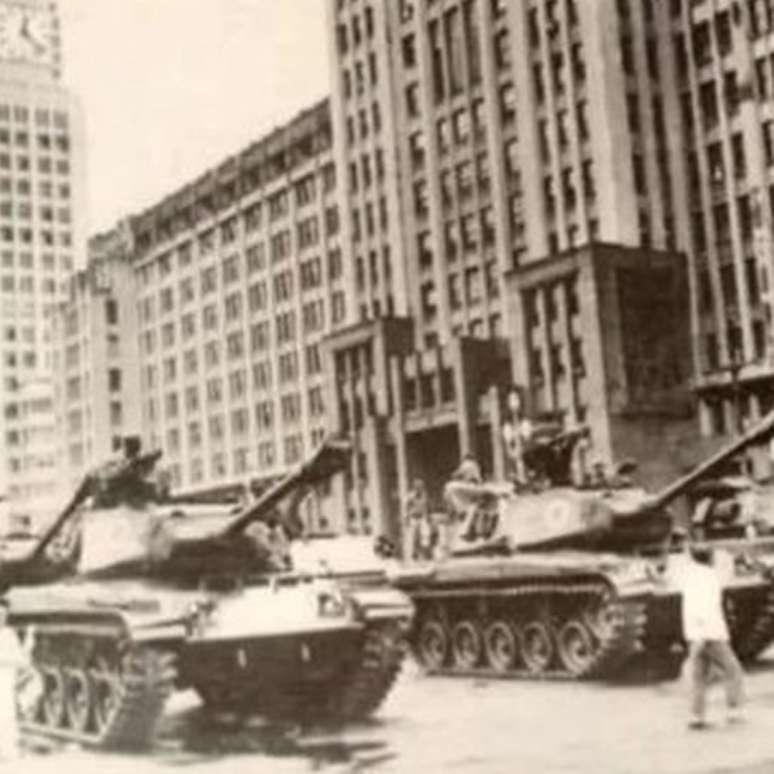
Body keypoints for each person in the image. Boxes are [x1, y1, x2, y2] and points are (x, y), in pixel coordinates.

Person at [668, 532, 744, 729]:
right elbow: (708, 607)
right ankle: (734, 712)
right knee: (733, 670)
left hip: (695, 633)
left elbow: (675, 569)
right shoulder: (710, 577)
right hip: (710, 634)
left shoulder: (686, 574)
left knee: (699, 677)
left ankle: (696, 717)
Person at [0, 600, 34, 762]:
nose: (1, 617)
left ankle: (7, 750)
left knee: (7, 714)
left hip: (7, 676)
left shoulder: (8, 634)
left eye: (3, 615)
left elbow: (20, 659)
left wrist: (29, 640)